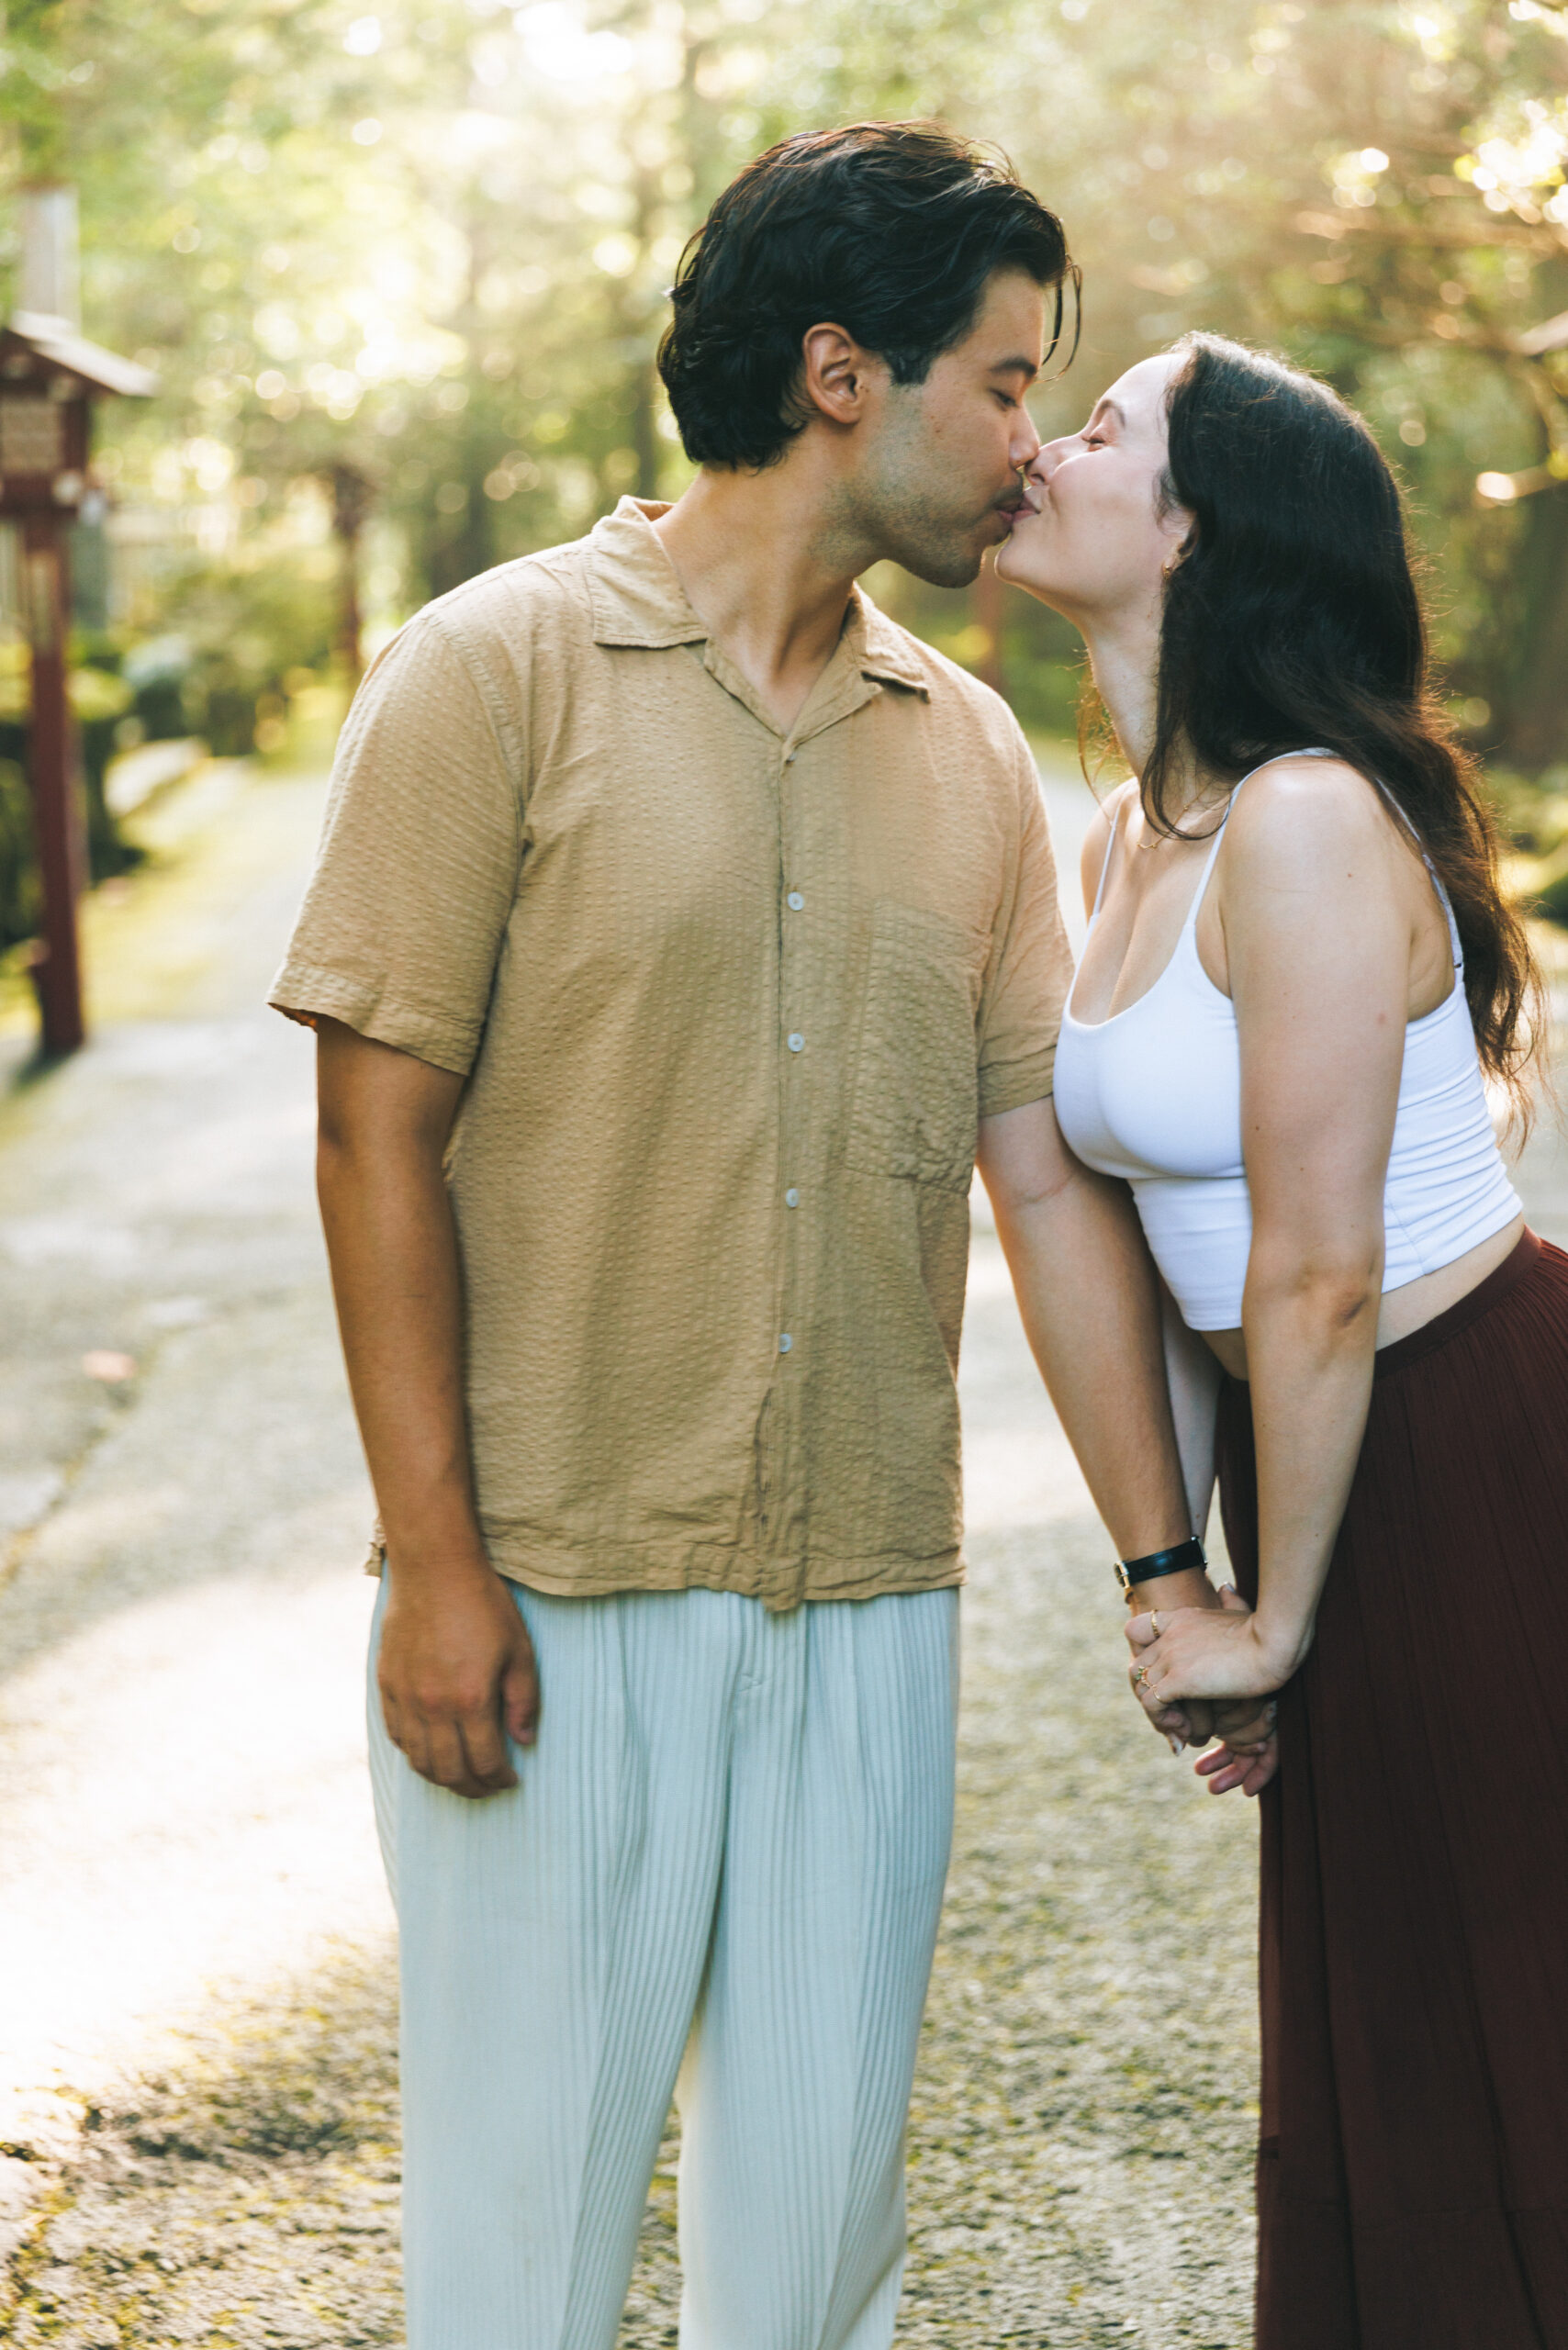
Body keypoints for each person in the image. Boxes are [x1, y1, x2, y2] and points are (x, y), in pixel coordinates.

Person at [269, 123, 1208, 2350]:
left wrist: (1164, 1568)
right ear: (834, 375)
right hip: (552, 1589)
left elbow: (1043, 1179)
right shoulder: (486, 670)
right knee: (523, 2248)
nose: (1021, 443)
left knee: (812, 2255)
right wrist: (436, 1564)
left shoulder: (972, 754)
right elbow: (364, 1138)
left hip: (864, 1602)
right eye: (998, 382)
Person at [997, 329, 1568, 2350]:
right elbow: (1167, 1253)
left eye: (1095, 426)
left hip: (1476, 1439)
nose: (1036, 446)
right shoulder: (1126, 841)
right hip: (1320, 1449)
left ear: (1191, 527)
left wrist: (1271, 1617)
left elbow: (1314, 1269)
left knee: (1507, 2011)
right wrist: (1185, 1576)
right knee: (1389, 2014)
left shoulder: (1309, 817)